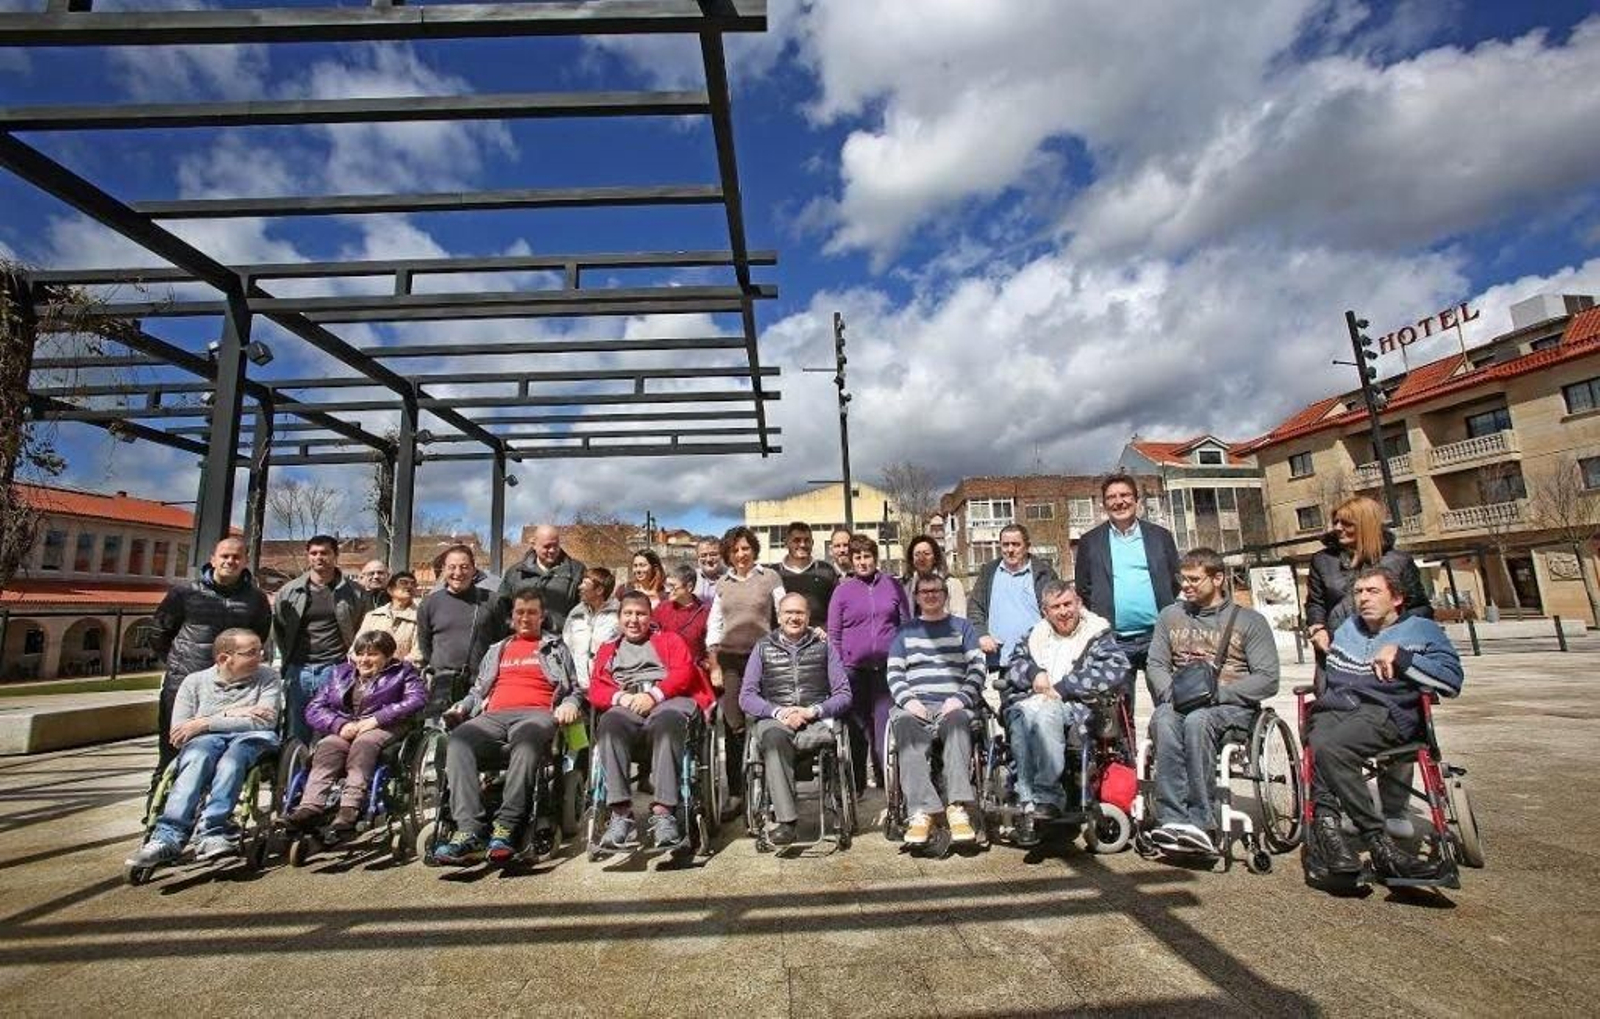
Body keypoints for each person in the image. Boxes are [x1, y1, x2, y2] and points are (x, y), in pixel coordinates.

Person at [1304, 567, 1463, 886]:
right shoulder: (1348, 629)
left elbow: (1452, 681)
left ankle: (1351, 837)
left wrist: (1402, 658)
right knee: (1319, 733)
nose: (1363, 598)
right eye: (1359, 592)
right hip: (1338, 708)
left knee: (1327, 745)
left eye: (1373, 591)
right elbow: (1336, 679)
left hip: (1387, 711)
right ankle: (1346, 839)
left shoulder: (1422, 630)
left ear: (1398, 598)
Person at [1305, 494, 1433, 838]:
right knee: (1333, 728)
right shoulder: (1323, 561)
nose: (1337, 528)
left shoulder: (1398, 562)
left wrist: (1397, 640)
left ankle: (1395, 808)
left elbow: (1421, 609)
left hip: (1385, 656)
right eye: (1335, 521)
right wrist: (1316, 628)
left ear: (1365, 524)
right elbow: (1315, 603)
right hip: (1336, 658)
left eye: (1346, 523)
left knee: (1394, 723)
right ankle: (1350, 804)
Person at [430, 588, 581, 865]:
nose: (525, 618)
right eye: (520, 612)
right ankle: (468, 830)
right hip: (493, 716)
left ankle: (506, 826)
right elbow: (478, 691)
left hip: (536, 714)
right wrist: (462, 707)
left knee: (525, 742)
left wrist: (570, 704)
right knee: (459, 740)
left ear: (542, 616)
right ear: (512, 616)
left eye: (532, 612)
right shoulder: (498, 649)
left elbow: (573, 689)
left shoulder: (555, 647)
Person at [1145, 548, 1280, 855]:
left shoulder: (1250, 621)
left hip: (1230, 707)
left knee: (1199, 720)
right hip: (1181, 701)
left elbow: (1268, 678)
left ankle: (1201, 821)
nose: (1186, 586)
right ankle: (1171, 820)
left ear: (1218, 578)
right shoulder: (1170, 616)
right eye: (1183, 579)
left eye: (1194, 579)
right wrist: (1174, 695)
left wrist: (1217, 695)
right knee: (1164, 719)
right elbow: (1156, 665)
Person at [125, 629, 280, 868]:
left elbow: (265, 721)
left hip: (251, 739)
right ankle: (168, 836)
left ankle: (214, 831)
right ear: (224, 658)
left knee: (232, 760)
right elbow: (179, 731)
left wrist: (206, 721)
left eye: (260, 650)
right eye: (251, 652)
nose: (260, 656)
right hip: (206, 742)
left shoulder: (267, 677)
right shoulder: (194, 683)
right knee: (197, 756)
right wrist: (234, 714)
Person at [995, 580, 1132, 846]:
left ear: (1078, 604)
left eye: (1068, 604)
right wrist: (1034, 674)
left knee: (1047, 712)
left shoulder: (1096, 634)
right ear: (1045, 612)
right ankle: (1027, 800)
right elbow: (1013, 666)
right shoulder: (1035, 635)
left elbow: (1116, 670)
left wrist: (1064, 687)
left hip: (1075, 707)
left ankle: (1047, 796)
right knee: (1020, 717)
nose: (1063, 611)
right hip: (1030, 703)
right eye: (1055, 607)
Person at [590, 592, 714, 851]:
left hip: (668, 698)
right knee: (609, 726)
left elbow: (684, 673)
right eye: (628, 614)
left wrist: (653, 695)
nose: (634, 619)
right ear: (619, 617)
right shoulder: (607, 649)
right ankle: (621, 814)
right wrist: (621, 698)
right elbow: (596, 689)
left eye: (641, 613)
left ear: (650, 616)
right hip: (628, 704)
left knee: (668, 724)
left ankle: (664, 812)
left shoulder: (670, 640)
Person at [148, 536, 272, 781]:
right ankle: (161, 805)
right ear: (213, 559)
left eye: (236, 557)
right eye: (224, 556)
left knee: (218, 746)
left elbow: (258, 636)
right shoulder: (184, 593)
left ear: (245, 561)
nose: (230, 561)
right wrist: (178, 663)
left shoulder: (256, 599)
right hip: (185, 682)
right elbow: (159, 633)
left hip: (232, 688)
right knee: (174, 747)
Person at [739, 593, 853, 845]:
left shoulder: (824, 646)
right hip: (776, 719)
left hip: (815, 721)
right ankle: (787, 822)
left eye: (799, 613)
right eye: (788, 612)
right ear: (779, 616)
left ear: (808, 617)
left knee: (826, 741)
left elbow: (844, 695)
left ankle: (829, 806)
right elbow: (746, 697)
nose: (794, 617)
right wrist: (779, 712)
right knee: (772, 738)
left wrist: (812, 711)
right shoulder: (762, 647)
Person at [287, 630, 426, 836]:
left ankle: (349, 808)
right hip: (347, 727)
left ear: (388, 657)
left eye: (372, 654)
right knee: (327, 747)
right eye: (360, 654)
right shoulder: (339, 673)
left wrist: (377, 719)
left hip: (386, 726)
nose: (364, 660)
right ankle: (310, 806)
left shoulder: (403, 672)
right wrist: (339, 724)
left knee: (364, 744)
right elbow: (315, 708)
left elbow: (417, 699)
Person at [886, 574, 987, 845]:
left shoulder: (963, 628)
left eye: (936, 591)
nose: (930, 595)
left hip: (953, 704)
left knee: (957, 724)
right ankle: (923, 810)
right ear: (916, 597)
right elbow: (894, 674)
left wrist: (961, 699)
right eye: (924, 592)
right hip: (916, 705)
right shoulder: (904, 632)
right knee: (904, 726)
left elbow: (978, 669)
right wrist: (909, 702)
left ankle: (957, 807)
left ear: (945, 594)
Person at [1073, 473, 1181, 704]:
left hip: (1158, 636)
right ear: (1103, 504)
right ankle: (1128, 743)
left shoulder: (1160, 537)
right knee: (1119, 712)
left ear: (1136, 500)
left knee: (1169, 703)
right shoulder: (1090, 541)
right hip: (1115, 640)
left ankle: (1164, 741)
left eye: (1124, 495)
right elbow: (1083, 587)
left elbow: (1175, 579)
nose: (1118, 501)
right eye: (1111, 497)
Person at [706, 525, 786, 808]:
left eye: (745, 548)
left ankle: (773, 790)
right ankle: (738, 793)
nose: (741, 554)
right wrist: (714, 663)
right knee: (733, 724)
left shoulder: (770, 577)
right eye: (735, 550)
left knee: (768, 720)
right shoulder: (722, 584)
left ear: (754, 550)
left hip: (763, 658)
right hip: (730, 661)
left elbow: (785, 613)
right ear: (728, 554)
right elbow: (714, 626)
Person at [828, 534, 914, 794]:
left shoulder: (892, 585)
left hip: (887, 670)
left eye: (867, 556)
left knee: (883, 731)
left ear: (875, 558)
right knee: (857, 731)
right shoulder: (842, 591)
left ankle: (887, 784)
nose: (863, 562)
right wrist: (840, 667)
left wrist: (904, 659)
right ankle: (856, 789)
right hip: (853, 671)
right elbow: (834, 634)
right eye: (857, 557)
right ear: (851, 561)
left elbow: (906, 625)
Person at [273, 535, 365, 744]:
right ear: (308, 556)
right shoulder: (289, 591)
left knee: (334, 726)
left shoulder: (354, 593)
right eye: (314, 553)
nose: (319, 557)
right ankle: (295, 772)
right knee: (297, 728)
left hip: (335, 667)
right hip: (299, 668)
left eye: (325, 553)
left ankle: (325, 774)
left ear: (335, 556)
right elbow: (279, 628)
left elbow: (362, 627)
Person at [417, 545, 504, 712]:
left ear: (474, 570)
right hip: (441, 685)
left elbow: (500, 640)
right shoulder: (429, 603)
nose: (458, 573)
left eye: (464, 567)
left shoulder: (492, 601)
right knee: (436, 736)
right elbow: (425, 645)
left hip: (481, 686)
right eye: (452, 567)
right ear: (443, 570)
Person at [969, 523, 1058, 671]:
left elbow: (1057, 609)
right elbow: (975, 607)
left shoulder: (1044, 574)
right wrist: (981, 634)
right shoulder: (988, 572)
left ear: (1027, 546)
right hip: (1000, 660)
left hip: (1038, 659)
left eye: (1016, 544)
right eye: (1005, 545)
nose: (1010, 550)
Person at [497, 525, 586, 632]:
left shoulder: (576, 571)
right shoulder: (515, 573)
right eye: (547, 546)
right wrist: (512, 626)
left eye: (556, 545)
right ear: (534, 545)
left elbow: (586, 609)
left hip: (562, 640)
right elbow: (501, 608)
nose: (552, 550)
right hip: (524, 640)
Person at [772, 521, 840, 624]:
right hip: (782, 638)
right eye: (797, 540)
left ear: (812, 543)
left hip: (819, 637)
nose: (802, 544)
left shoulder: (826, 571)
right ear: (786, 543)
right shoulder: (773, 573)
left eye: (807, 540)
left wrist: (825, 629)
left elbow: (837, 607)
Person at [563, 566, 619, 690]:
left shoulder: (618, 614)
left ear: (599, 590)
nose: (579, 587)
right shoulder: (576, 613)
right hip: (578, 687)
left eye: (585, 583)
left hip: (608, 686)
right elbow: (566, 645)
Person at [352, 571, 422, 664]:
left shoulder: (421, 618)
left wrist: (391, 667)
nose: (409, 587)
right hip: (368, 669)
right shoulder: (373, 616)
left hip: (403, 673)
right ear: (390, 590)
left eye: (413, 584)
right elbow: (356, 647)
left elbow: (418, 654)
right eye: (403, 583)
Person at [654, 564, 711, 668]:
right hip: (665, 668)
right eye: (667, 586)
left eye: (672, 586)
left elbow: (711, 646)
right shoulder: (662, 608)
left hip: (693, 671)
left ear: (689, 587)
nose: (667, 590)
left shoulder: (704, 614)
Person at [902, 534, 967, 619]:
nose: (922, 558)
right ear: (912, 560)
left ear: (935, 558)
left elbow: (960, 620)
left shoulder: (952, 584)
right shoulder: (907, 587)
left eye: (926, 554)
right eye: (917, 554)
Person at [693, 538, 726, 602]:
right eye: (703, 555)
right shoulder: (691, 577)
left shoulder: (732, 578)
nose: (708, 559)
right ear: (697, 557)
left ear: (722, 555)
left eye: (713, 554)